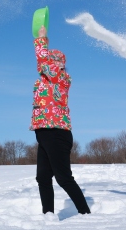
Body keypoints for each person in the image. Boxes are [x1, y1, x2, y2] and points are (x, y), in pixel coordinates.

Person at [30, 26, 90, 215]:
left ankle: (85, 214)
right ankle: (48, 215)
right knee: (43, 178)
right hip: (45, 133)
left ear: (57, 63)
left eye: (50, 61)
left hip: (56, 132)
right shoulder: (48, 79)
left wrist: (42, 39)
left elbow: (43, 62)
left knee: (64, 178)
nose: (45, 64)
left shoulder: (60, 77)